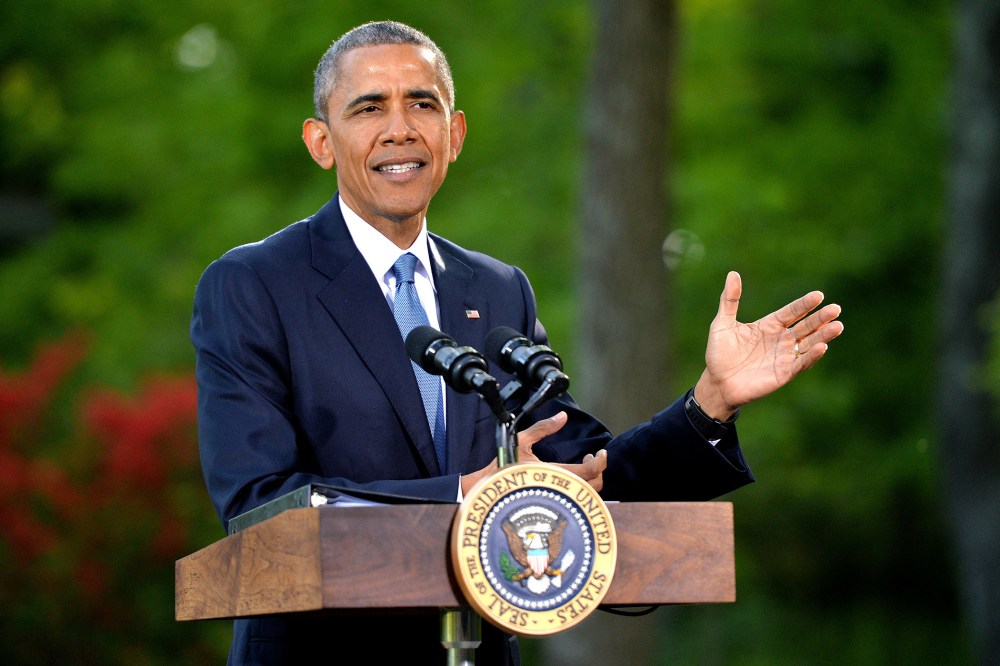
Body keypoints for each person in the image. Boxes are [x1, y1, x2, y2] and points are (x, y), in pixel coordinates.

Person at [190, 19, 844, 666]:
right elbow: (261, 507)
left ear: (455, 134)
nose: (400, 128)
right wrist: (462, 495)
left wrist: (709, 404)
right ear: (320, 141)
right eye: (368, 108)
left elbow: (588, 476)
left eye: (423, 104)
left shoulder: (499, 290)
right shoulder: (252, 285)